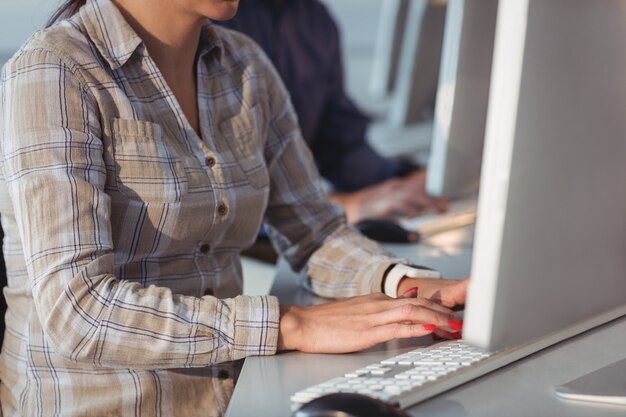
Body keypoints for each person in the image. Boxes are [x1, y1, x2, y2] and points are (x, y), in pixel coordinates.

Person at [0, 0, 467, 416]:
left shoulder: (246, 65)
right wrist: (291, 324)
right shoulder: (56, 70)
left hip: (240, 392)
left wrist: (403, 284)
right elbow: (78, 311)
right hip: (107, 403)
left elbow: (315, 233)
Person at [217, 0, 448, 224]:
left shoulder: (316, 19)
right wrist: (347, 205)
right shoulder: (214, 16)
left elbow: (337, 143)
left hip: (296, 220)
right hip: (241, 241)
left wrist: (402, 178)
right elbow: (217, 194)